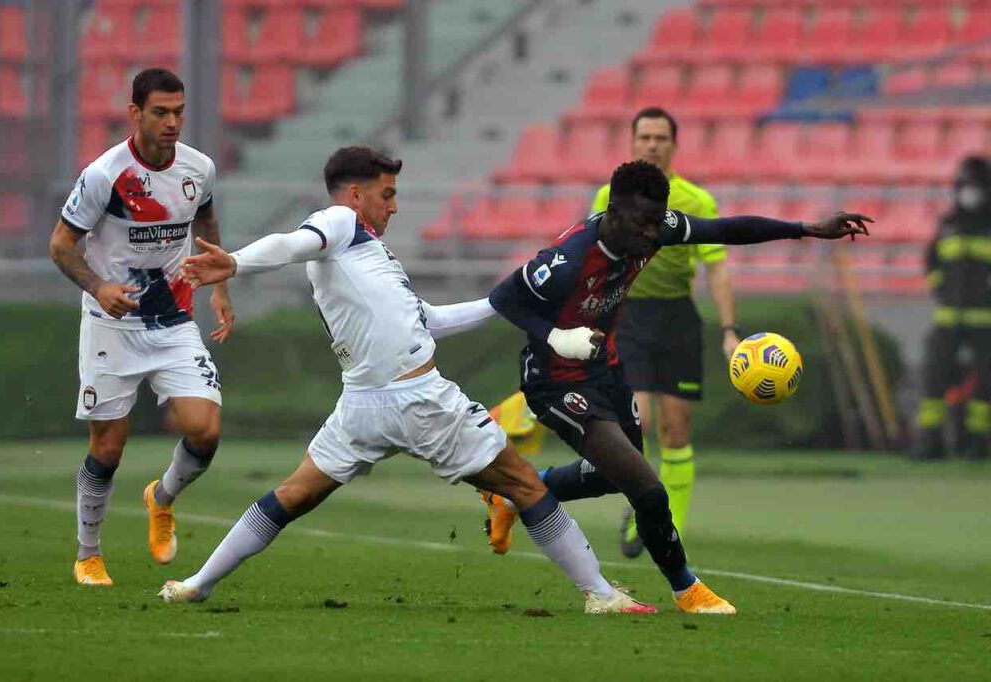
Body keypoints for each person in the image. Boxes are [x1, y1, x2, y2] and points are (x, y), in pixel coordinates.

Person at [157, 147, 656, 615]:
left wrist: (503, 301)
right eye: (387, 194)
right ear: (356, 195)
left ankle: (197, 583)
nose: (394, 207)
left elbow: (429, 319)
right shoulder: (340, 223)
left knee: (294, 494)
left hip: (362, 406)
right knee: (525, 484)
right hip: (419, 400)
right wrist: (237, 263)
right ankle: (600, 593)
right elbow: (294, 243)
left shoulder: (371, 256)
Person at [488, 160, 872, 614]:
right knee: (648, 489)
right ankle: (686, 589)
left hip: (605, 370)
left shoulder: (654, 226)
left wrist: (806, 228)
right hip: (553, 381)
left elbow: (725, 229)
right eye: (643, 223)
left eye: (657, 222)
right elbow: (503, 299)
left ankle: (516, 488)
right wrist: (556, 338)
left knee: (618, 477)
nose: (653, 234)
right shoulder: (569, 259)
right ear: (613, 212)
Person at [49, 68, 235, 587]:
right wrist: (97, 287)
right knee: (108, 446)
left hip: (174, 318)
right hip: (112, 321)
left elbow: (205, 221)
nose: (172, 121)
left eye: (179, 111)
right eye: (161, 112)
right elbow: (61, 245)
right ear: (135, 113)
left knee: (206, 429)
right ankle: (88, 554)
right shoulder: (105, 175)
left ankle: (162, 497)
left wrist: (219, 287)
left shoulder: (199, 168)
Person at [594, 107, 737, 554]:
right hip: (628, 316)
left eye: (660, 137)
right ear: (632, 143)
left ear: (674, 144)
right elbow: (594, 262)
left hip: (677, 318)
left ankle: (669, 525)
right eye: (645, 137)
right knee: (639, 422)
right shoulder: (608, 198)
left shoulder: (696, 200)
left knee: (676, 430)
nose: (652, 144)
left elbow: (717, 269)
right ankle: (642, 505)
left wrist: (730, 330)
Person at [912, 155, 991, 461]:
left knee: (986, 385)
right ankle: (929, 442)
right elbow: (932, 260)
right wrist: (939, 286)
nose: (970, 192)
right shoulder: (949, 225)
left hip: (986, 321)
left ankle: (978, 443)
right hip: (948, 318)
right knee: (934, 376)